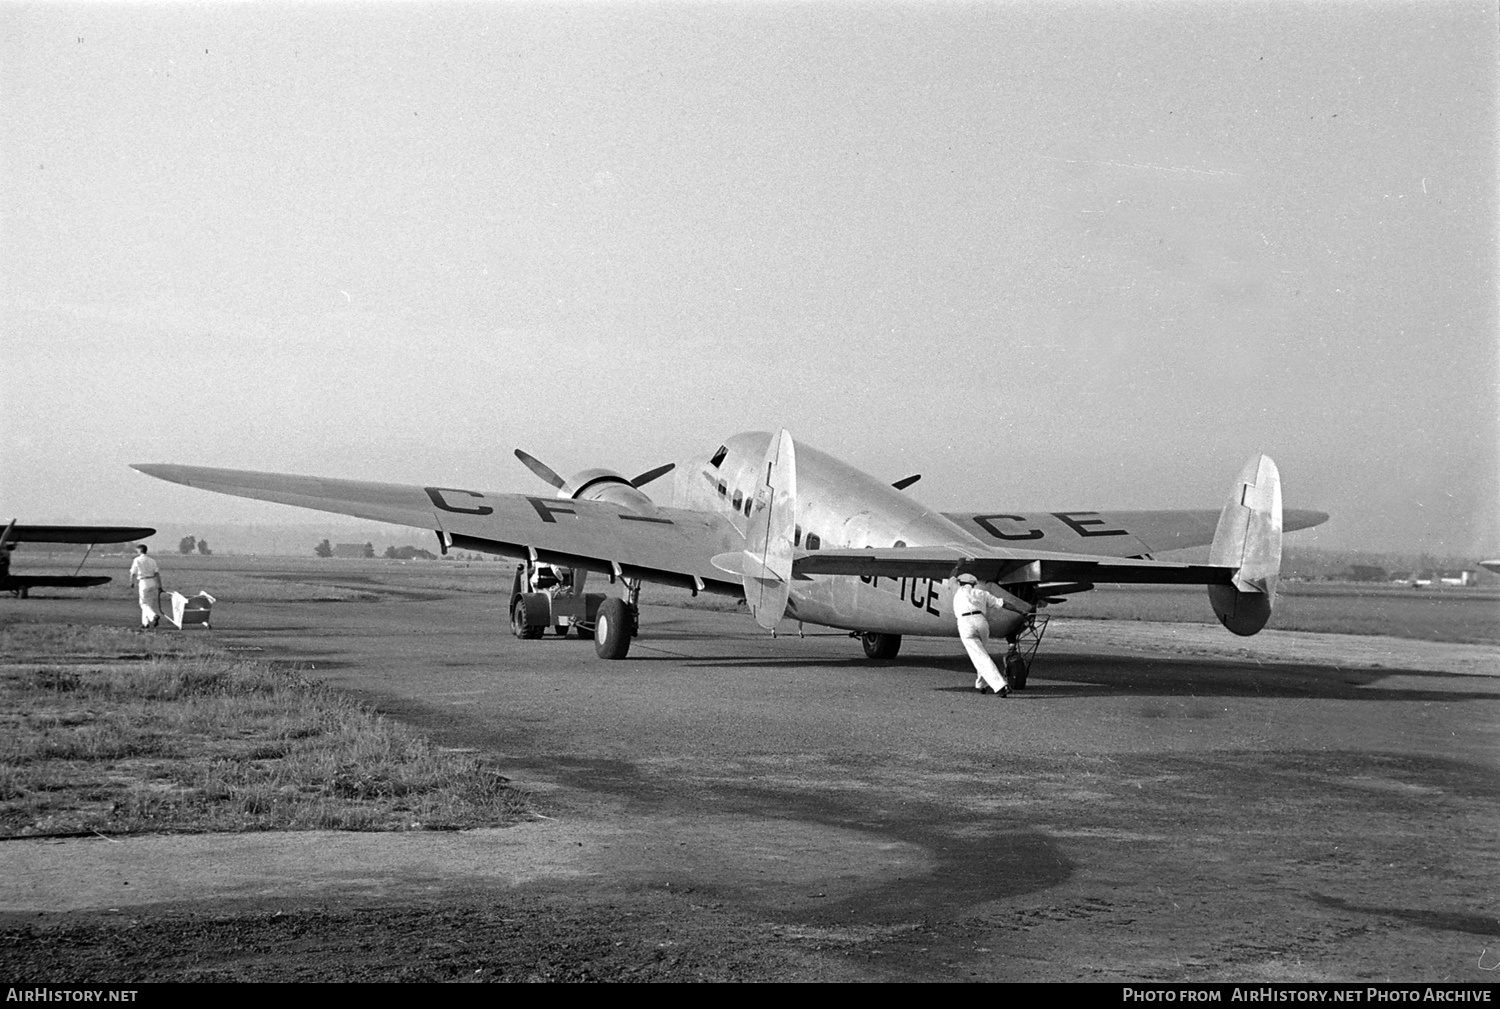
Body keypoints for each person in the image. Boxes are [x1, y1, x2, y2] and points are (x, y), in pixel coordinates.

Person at [952, 572, 1012, 696]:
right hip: (981, 621)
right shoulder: (981, 593)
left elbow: (951, 577)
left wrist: (957, 566)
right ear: (973, 583)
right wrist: (1022, 611)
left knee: (980, 656)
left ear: (960, 583)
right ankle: (981, 684)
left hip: (965, 623)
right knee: (981, 654)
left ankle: (1000, 686)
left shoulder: (957, 590)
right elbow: (1003, 603)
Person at [129, 544, 162, 629]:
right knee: (149, 603)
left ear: (140, 550)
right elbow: (157, 574)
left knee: (143, 603)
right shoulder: (152, 560)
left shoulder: (137, 560)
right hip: (152, 581)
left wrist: (131, 582)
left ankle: (153, 616)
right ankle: (145, 623)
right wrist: (160, 585)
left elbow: (133, 572)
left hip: (143, 582)